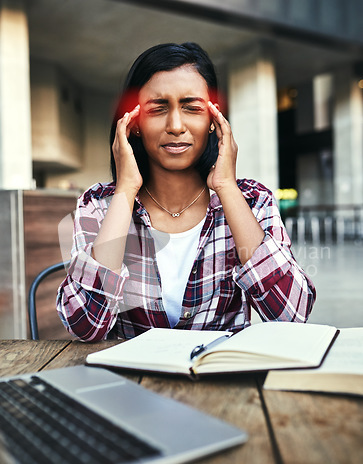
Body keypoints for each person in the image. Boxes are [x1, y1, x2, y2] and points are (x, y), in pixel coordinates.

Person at [56, 42, 316, 342]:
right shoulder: (99, 205)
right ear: (134, 124)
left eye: (192, 108)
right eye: (158, 109)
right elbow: (85, 326)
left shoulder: (253, 201)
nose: (176, 125)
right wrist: (126, 191)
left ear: (212, 121)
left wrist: (227, 188)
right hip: (129, 383)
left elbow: (292, 316)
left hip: (221, 384)